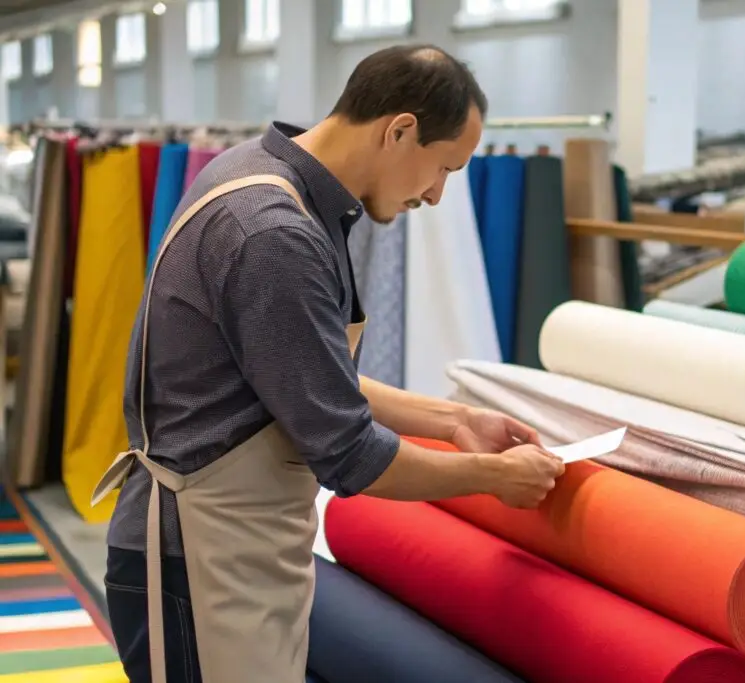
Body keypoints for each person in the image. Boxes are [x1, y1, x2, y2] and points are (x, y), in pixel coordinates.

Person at [96, 44, 565, 683]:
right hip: (197, 558)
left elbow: (305, 375)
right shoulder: (274, 233)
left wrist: (456, 420)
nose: (436, 194)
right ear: (400, 131)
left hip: (230, 548)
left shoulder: (267, 177)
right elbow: (350, 455)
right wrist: (492, 477)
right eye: (442, 168)